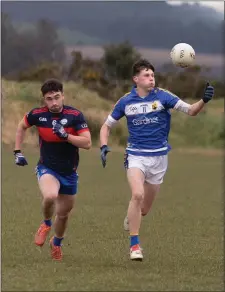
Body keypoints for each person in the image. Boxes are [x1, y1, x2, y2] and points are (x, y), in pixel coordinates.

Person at [99, 59, 214, 261]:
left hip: (159, 158)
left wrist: (203, 100)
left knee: (143, 210)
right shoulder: (126, 101)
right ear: (136, 79)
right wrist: (103, 145)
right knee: (137, 194)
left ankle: (132, 215)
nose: (151, 78)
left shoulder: (164, 97)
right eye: (146, 75)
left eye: (152, 75)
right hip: (136, 156)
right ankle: (134, 246)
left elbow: (191, 111)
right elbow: (106, 126)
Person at [14, 79, 91, 261]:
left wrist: (66, 136)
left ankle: (56, 243)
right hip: (47, 167)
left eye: (57, 97)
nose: (54, 102)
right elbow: (21, 126)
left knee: (63, 215)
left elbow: (87, 143)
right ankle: (46, 223)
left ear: (63, 95)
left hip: (70, 173)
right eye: (49, 99)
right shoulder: (38, 115)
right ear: (44, 100)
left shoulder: (75, 115)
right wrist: (17, 151)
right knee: (50, 196)